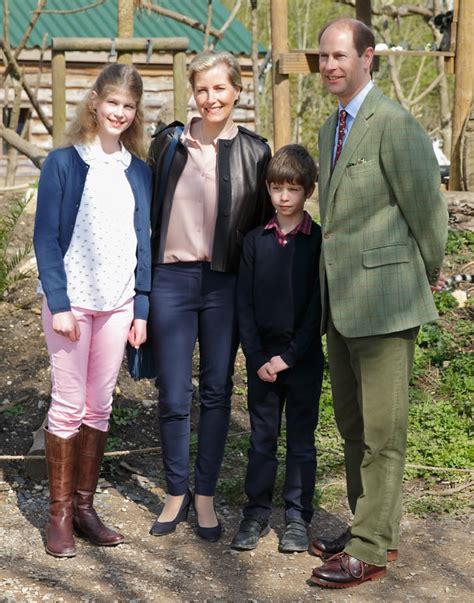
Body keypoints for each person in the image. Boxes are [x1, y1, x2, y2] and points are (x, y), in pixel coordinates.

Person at [309, 18, 448, 588]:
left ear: (368, 57)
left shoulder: (395, 123)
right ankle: (371, 525)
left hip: (387, 302)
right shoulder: (328, 129)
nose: (330, 66)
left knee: (384, 432)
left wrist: (426, 273)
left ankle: (369, 549)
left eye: (340, 55)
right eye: (323, 57)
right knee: (352, 425)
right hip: (340, 303)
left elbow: (428, 212)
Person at [147, 51, 271, 542]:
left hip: (225, 284)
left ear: (236, 90)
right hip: (171, 280)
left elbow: (263, 230)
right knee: (174, 391)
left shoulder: (256, 153)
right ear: (192, 93)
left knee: (218, 391)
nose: (211, 97)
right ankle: (175, 491)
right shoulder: (167, 144)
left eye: (220, 88)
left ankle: (205, 497)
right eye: (202, 89)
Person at [33, 64, 152, 558]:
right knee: (67, 405)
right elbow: (45, 237)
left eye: (129, 106)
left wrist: (141, 308)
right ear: (95, 103)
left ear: (135, 113)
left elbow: (144, 239)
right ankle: (58, 514)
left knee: (100, 406)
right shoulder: (63, 163)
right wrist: (58, 303)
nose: (119, 113)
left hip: (118, 306)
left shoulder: (139, 171)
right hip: (72, 305)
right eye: (113, 103)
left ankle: (85, 508)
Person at [230, 145, 324, 554]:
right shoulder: (255, 241)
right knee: (262, 439)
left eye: (293, 189)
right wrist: (257, 359)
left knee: (301, 440)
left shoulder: (318, 241)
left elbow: (318, 307)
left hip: (302, 360)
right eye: (276, 188)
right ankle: (255, 513)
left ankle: (298, 517)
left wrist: (291, 355)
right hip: (262, 362)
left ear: (308, 191)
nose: (284, 197)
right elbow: (244, 305)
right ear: (267, 190)